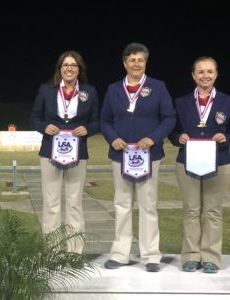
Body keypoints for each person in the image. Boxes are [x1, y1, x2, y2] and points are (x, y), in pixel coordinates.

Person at [100, 43, 176, 272]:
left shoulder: (158, 87)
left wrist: (153, 138)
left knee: (148, 204)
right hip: (120, 155)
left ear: (146, 62)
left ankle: (151, 256)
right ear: (124, 63)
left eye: (140, 60)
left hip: (149, 155)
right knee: (122, 204)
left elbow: (169, 118)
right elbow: (105, 120)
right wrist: (113, 138)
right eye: (131, 60)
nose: (136, 63)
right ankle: (120, 254)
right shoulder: (114, 89)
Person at [29, 50, 100, 253]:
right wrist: (44, 127)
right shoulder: (46, 90)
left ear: (79, 69)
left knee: (74, 202)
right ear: (59, 69)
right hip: (50, 151)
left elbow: (97, 121)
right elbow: (34, 117)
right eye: (65, 65)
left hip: (77, 153)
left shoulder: (89, 92)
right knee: (51, 203)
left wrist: (88, 129)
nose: (69, 68)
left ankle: (74, 252)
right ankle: (51, 250)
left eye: (74, 65)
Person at [168, 57, 230, 273]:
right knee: (191, 210)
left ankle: (211, 257)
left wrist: (226, 138)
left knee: (212, 210)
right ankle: (191, 256)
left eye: (210, 71)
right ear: (193, 75)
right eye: (201, 72)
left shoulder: (226, 101)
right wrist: (178, 137)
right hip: (188, 161)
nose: (206, 75)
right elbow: (171, 130)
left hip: (219, 161)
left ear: (216, 74)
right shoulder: (181, 102)